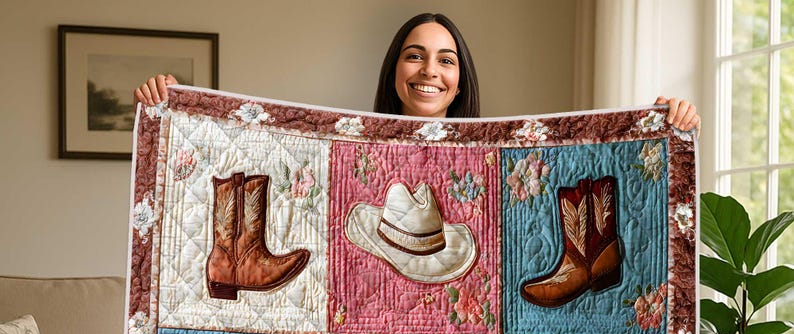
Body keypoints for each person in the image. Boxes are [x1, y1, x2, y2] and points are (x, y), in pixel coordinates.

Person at [133, 12, 700, 132]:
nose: (430, 70)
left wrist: (663, 124)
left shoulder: (497, 156)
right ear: (395, 70)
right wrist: (177, 107)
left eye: (446, 60)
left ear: (461, 80)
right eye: (415, 54)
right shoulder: (344, 142)